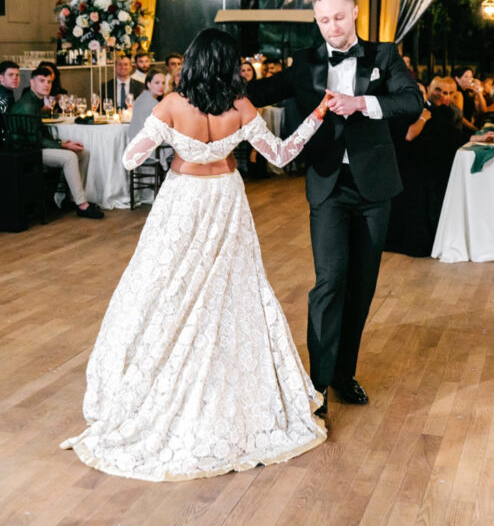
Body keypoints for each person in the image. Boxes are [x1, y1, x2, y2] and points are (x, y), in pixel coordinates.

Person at [61, 29, 332, 480]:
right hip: (225, 199)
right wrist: (319, 112)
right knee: (232, 292)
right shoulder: (241, 106)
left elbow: (130, 159)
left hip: (183, 201)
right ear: (229, 65)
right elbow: (282, 155)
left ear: (191, 62)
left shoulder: (170, 104)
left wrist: (167, 141)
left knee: (167, 289)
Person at [246, 0, 421, 414]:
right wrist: (205, 94)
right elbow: (263, 91)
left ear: (356, 11)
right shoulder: (305, 62)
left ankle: (345, 374)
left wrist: (361, 102)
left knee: (361, 287)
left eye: (338, 17)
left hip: (374, 188)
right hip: (327, 186)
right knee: (329, 283)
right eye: (323, 20)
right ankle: (318, 385)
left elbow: (412, 102)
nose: (331, 27)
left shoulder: (383, 55)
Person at [10, 67, 102, 219]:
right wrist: (63, 145)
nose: (46, 85)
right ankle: (82, 205)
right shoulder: (27, 105)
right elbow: (35, 140)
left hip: (34, 147)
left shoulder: (35, 101)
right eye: (42, 81)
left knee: (83, 153)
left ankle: (73, 198)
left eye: (49, 82)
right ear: (32, 82)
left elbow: (38, 134)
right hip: (28, 152)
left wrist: (62, 142)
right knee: (70, 157)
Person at [385, 77, 463, 257]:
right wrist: (422, 118)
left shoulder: (428, 111)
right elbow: (409, 136)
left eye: (420, 92)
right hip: (403, 162)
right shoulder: (401, 112)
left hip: (420, 163)